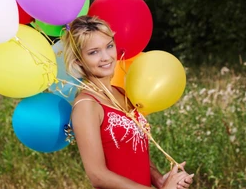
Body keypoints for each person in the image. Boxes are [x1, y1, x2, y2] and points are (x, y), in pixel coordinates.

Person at [61, 15, 194, 189]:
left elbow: (136, 150)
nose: (106, 57)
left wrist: (161, 181)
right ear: (79, 60)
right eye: (93, 52)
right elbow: (98, 175)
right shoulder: (87, 105)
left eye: (109, 46)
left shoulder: (122, 93)